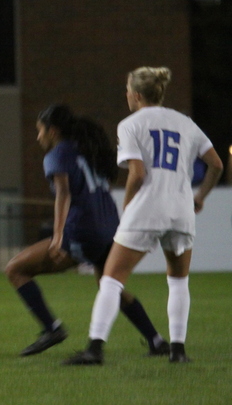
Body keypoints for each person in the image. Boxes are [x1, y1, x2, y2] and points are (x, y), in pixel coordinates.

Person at [64, 67, 223, 365]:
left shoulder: (130, 125)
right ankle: (178, 351)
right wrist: (200, 197)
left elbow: (137, 173)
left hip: (148, 208)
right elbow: (216, 164)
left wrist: (128, 206)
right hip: (181, 211)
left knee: (111, 279)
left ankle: (94, 348)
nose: (126, 95)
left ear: (136, 95)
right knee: (178, 281)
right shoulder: (185, 122)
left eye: (127, 91)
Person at [6, 104, 168, 357]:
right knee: (110, 285)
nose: (38, 137)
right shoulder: (88, 150)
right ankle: (156, 341)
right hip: (110, 228)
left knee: (15, 269)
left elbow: (64, 193)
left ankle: (52, 328)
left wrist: (58, 236)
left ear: (53, 131)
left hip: (83, 231)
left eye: (40, 130)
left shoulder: (57, 154)